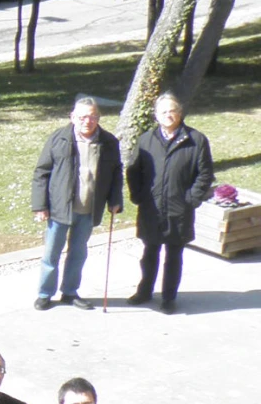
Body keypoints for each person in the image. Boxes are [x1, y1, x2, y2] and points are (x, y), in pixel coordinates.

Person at [31, 94, 124, 309]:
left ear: (98, 117)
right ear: (72, 117)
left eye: (92, 117)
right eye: (82, 117)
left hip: (89, 208)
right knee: (52, 253)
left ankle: (70, 292)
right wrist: (40, 206)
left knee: (78, 252)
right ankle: (45, 293)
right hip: (60, 208)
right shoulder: (58, 138)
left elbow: (116, 173)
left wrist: (115, 200)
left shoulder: (109, 142)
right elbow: (41, 172)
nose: (87, 121)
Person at [126, 92, 215, 312]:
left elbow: (205, 174)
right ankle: (144, 291)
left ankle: (168, 298)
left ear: (180, 113)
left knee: (174, 256)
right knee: (149, 253)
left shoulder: (196, 140)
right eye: (163, 111)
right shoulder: (146, 139)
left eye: (172, 110)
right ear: (156, 115)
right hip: (151, 209)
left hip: (179, 210)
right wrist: (137, 195)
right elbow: (133, 170)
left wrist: (191, 199)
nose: (168, 115)